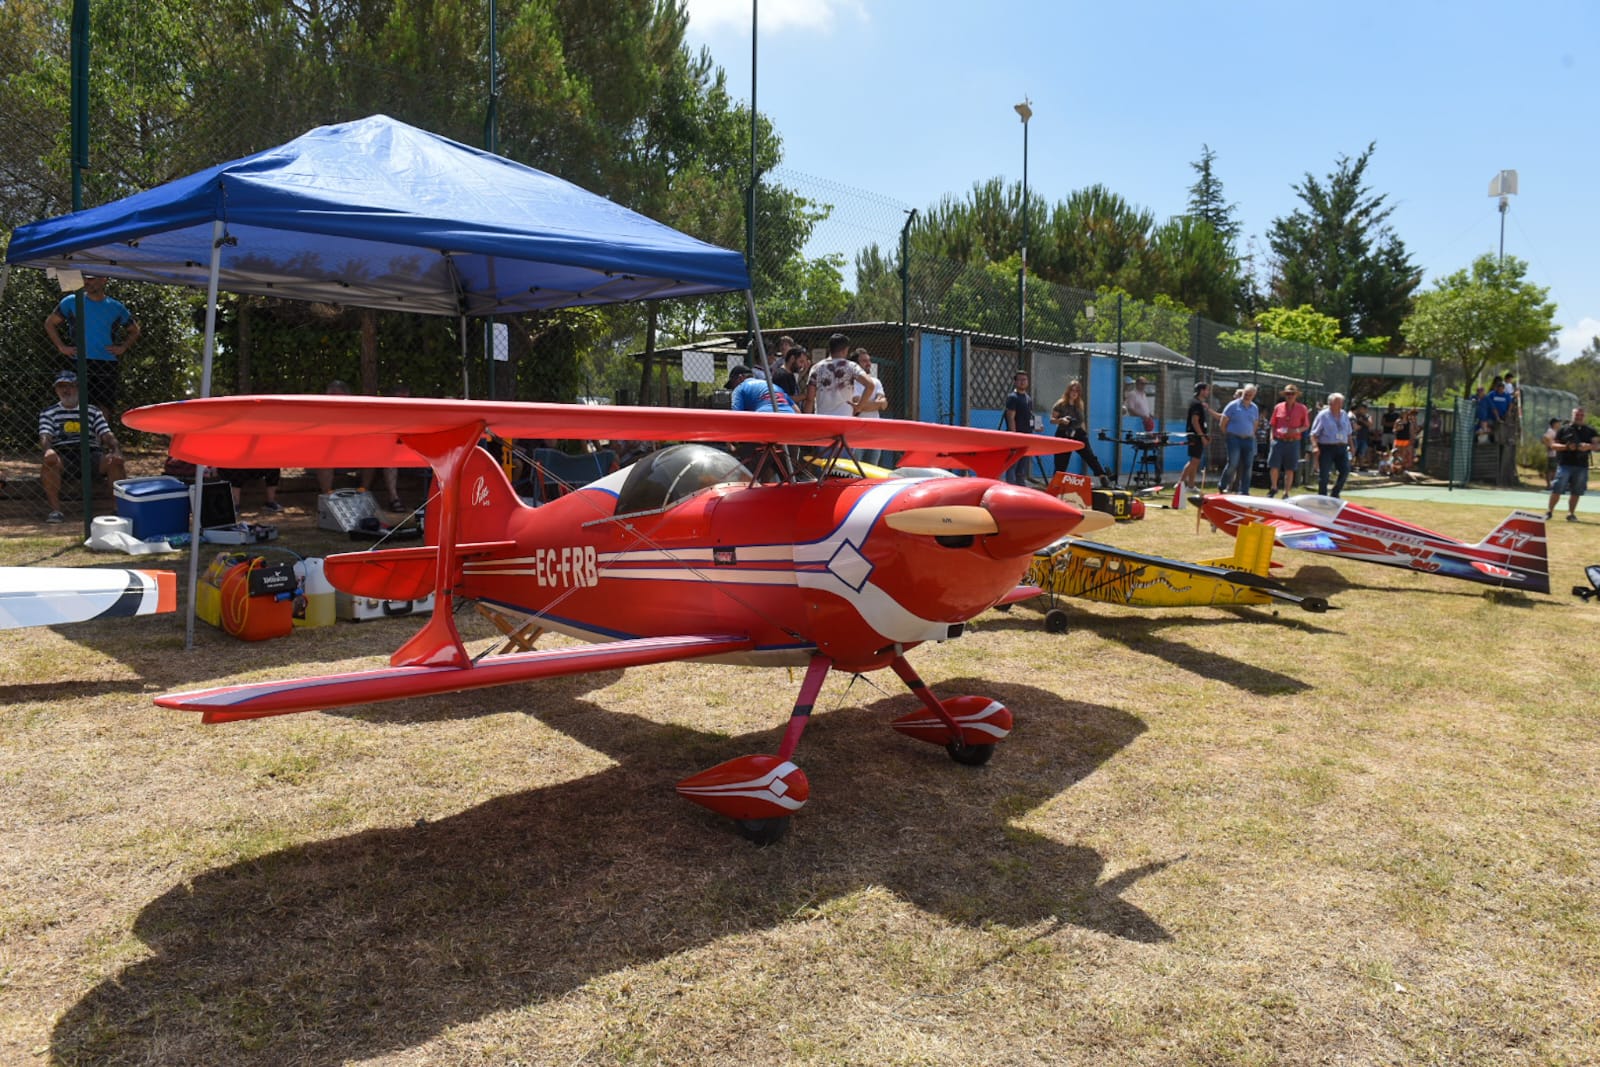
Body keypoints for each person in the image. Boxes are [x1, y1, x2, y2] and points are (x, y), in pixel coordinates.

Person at [44, 274, 141, 423]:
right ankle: (77, 441)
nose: (87, 282)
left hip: (106, 362)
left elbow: (134, 330)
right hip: (78, 359)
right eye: (85, 278)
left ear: (104, 279)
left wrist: (123, 347)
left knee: (104, 404)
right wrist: (61, 347)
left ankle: (100, 442)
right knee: (76, 403)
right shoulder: (71, 302)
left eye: (91, 278)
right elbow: (49, 323)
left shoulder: (116, 307)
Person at [39, 369, 126, 523]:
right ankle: (56, 511)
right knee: (50, 462)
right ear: (56, 390)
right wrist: (48, 450)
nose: (66, 390)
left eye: (70, 386)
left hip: (92, 454)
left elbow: (106, 434)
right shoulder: (49, 412)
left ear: (78, 388)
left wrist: (116, 450)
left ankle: (118, 508)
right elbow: (45, 435)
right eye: (61, 387)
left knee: (115, 462)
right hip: (64, 455)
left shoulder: (92, 411)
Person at [315, 380, 374, 494]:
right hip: (327, 457)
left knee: (370, 458)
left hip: (351, 456)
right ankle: (328, 495)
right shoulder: (320, 413)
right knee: (325, 459)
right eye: (331, 396)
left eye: (337, 396)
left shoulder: (356, 414)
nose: (334, 400)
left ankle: (364, 492)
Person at [1049, 379, 1111, 485]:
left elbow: (1082, 421)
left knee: (1089, 455)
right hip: (1064, 433)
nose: (1074, 393)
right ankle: (1056, 483)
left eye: (1077, 391)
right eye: (1072, 390)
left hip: (1078, 432)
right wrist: (1061, 420)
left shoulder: (1079, 404)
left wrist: (1085, 433)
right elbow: (1052, 420)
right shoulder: (1060, 404)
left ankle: (1102, 476)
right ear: (1068, 391)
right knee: (1061, 461)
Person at [1546, 407, 1597, 522]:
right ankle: (1549, 512)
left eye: (1581, 415)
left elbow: (1597, 445)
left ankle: (1571, 514)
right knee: (1557, 488)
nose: (1579, 417)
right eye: (1577, 415)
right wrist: (1567, 447)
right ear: (1572, 415)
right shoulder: (1563, 430)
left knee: (1576, 491)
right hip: (1565, 464)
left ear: (1584, 417)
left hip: (1581, 465)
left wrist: (1588, 446)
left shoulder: (1590, 431)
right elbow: (1553, 446)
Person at [809, 333, 876, 418]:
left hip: (822, 419)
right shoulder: (851, 366)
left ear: (830, 349)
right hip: (844, 419)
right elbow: (870, 385)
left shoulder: (816, 368)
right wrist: (859, 406)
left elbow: (810, 399)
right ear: (845, 350)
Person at [1265, 384, 1310, 498]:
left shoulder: (1302, 408)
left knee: (1290, 468)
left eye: (1292, 394)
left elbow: (1305, 425)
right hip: (1278, 440)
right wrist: (1271, 438)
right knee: (1274, 466)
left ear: (1296, 395)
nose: (1290, 396)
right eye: (1288, 394)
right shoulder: (1278, 407)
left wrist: (1296, 430)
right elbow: (1273, 424)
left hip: (1293, 441)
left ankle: (1286, 492)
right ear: (1285, 395)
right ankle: (1274, 488)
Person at [1309, 392, 1354, 498]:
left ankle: (1335, 493)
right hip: (1327, 447)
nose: (1340, 405)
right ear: (1330, 403)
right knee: (1324, 474)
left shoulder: (1344, 414)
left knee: (1345, 470)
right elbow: (1313, 434)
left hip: (1342, 447)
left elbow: (1349, 433)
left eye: (1341, 402)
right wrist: (1315, 446)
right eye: (1337, 402)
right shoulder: (1323, 415)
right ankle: (1322, 496)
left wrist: (1352, 446)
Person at [1218, 384, 1260, 494]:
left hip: (1248, 439)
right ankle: (1222, 486)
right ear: (1243, 393)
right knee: (1233, 463)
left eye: (1250, 395)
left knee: (1248, 465)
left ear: (1254, 395)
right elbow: (1223, 422)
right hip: (1233, 438)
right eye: (1246, 394)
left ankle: (1244, 491)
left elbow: (1255, 423)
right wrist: (1227, 434)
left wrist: (1250, 433)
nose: (1248, 396)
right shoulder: (1232, 405)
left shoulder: (1254, 408)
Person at [849, 348, 888, 466]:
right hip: (857, 433)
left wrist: (864, 405)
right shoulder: (852, 382)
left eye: (869, 360)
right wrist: (877, 404)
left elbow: (884, 405)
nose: (868, 364)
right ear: (856, 364)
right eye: (864, 361)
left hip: (875, 432)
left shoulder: (876, 381)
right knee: (856, 467)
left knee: (873, 466)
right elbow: (858, 405)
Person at [1001, 370, 1040, 485]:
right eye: (1020, 380)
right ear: (1015, 382)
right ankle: (1010, 487)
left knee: (1022, 467)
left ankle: (1020, 488)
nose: (1022, 382)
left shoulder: (1028, 398)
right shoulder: (1013, 397)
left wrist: (1037, 426)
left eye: (1024, 380)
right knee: (1012, 465)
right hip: (1016, 437)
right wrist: (1014, 436)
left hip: (1027, 436)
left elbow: (1029, 416)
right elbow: (1010, 417)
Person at [1177, 381, 1215, 491]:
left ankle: (1191, 485)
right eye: (1207, 390)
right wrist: (1202, 436)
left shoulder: (1201, 404)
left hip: (1199, 435)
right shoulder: (1196, 404)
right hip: (1196, 436)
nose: (1208, 392)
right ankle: (1180, 483)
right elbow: (1195, 421)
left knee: (1196, 460)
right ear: (1202, 391)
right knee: (1194, 460)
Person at [728, 364, 796, 413]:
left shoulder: (739, 388)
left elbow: (736, 415)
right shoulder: (772, 386)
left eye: (732, 384)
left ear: (740, 378)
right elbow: (797, 411)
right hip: (789, 415)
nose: (733, 388)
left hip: (764, 417)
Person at [1352, 403, 1374, 470]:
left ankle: (1361, 466)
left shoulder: (1368, 417)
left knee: (1362, 452)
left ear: (1365, 409)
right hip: (1356, 437)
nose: (1360, 410)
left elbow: (1370, 424)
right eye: (1359, 408)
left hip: (1364, 437)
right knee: (1353, 452)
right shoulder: (1355, 416)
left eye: (1362, 409)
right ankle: (1352, 465)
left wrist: (1363, 421)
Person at [1542, 417, 1563, 488]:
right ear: (1554, 424)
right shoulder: (1551, 431)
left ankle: (1552, 484)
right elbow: (1544, 439)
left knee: (1554, 470)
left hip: (1556, 453)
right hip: (1552, 454)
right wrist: (1550, 447)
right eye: (1558, 422)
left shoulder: (1556, 431)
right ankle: (1549, 485)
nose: (1559, 424)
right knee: (1551, 470)